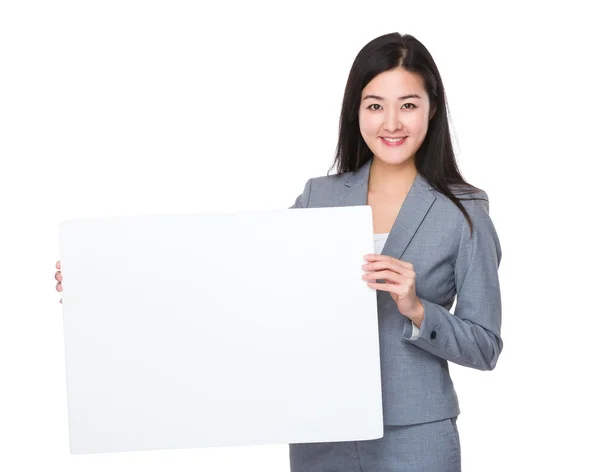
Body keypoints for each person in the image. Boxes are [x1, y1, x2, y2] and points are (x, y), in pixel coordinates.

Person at [55, 32, 502, 472]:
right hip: (321, 429)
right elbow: (231, 276)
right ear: (356, 111)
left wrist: (417, 307)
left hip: (416, 433)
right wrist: (99, 278)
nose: (391, 122)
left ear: (432, 107)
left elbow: (485, 347)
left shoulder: (463, 212)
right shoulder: (319, 198)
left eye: (407, 104)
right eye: (374, 105)